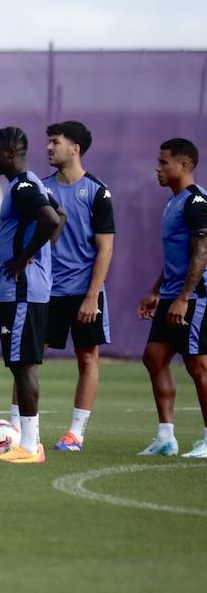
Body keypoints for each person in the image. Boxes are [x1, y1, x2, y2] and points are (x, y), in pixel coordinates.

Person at [0, 126, 64, 465]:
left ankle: (30, 447)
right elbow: (61, 215)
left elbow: (49, 219)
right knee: (22, 364)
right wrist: (40, 254)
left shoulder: (24, 187)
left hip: (21, 289)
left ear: (9, 154)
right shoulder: (33, 183)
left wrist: (24, 258)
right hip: (28, 288)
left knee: (23, 365)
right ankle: (29, 443)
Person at [41, 121, 115, 451]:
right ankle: (17, 427)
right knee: (29, 357)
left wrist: (92, 296)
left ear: (75, 149)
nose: (49, 147)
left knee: (87, 359)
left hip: (83, 292)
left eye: (55, 142)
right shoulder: (39, 189)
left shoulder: (97, 192)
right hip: (45, 290)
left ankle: (76, 433)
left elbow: (105, 247)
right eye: (48, 142)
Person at [136, 138, 207, 459]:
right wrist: (155, 291)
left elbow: (202, 252)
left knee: (198, 365)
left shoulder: (196, 202)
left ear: (185, 166)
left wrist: (183, 297)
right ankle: (166, 438)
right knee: (154, 357)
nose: (158, 167)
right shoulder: (173, 202)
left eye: (164, 162)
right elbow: (177, 258)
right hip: (172, 295)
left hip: (194, 298)